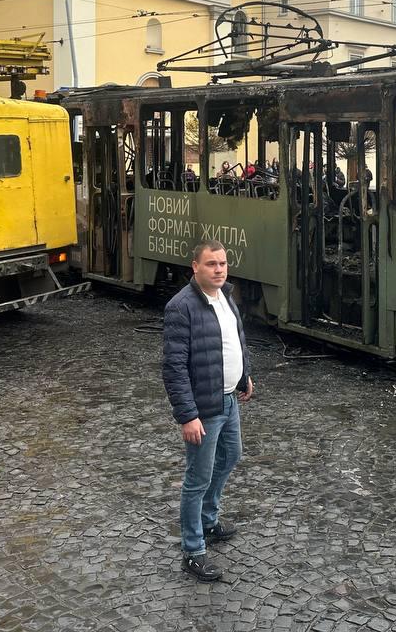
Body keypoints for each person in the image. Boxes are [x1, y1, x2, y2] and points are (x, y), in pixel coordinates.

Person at [162, 241, 255, 582]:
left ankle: (208, 520)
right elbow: (173, 367)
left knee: (231, 455)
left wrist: (244, 375)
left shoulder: (225, 296)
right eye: (211, 264)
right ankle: (193, 550)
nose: (219, 269)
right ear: (195, 267)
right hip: (204, 406)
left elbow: (234, 341)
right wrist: (187, 415)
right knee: (197, 478)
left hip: (229, 398)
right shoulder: (181, 307)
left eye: (223, 263)